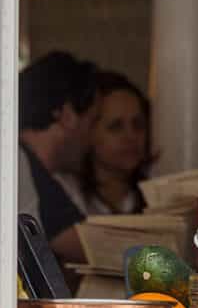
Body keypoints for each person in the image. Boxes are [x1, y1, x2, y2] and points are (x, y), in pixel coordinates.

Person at [19, 51, 99, 264]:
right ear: (67, 115)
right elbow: (87, 246)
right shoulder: (18, 163)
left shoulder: (37, 171)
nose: (92, 139)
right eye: (92, 122)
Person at [60, 71, 153, 216]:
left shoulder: (157, 196)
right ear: (88, 131)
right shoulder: (65, 194)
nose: (131, 136)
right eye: (115, 126)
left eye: (138, 125)